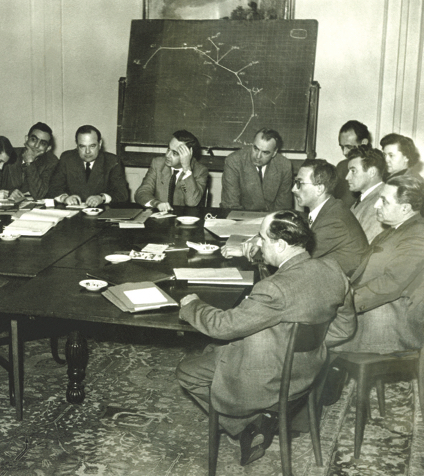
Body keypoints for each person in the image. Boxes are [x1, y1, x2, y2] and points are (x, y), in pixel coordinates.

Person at [177, 210, 355, 466]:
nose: (258, 243)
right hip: (311, 369)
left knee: (187, 371)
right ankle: (261, 422)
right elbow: (345, 327)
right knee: (214, 351)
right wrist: (306, 342)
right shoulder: (333, 269)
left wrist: (192, 305)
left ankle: (248, 425)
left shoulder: (274, 289)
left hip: (269, 377)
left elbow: (223, 326)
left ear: (281, 244)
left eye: (262, 238)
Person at [225, 159, 368, 277]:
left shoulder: (334, 222)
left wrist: (253, 250)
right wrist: (257, 240)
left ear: (320, 189)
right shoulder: (327, 210)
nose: (294, 189)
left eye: (300, 183)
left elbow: (292, 258)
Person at [333, 174, 424, 354]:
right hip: (376, 310)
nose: (376, 205)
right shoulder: (392, 231)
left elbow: (391, 283)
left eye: (384, 201)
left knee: (314, 338)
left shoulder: (418, 234)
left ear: (405, 208)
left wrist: (345, 302)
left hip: (392, 321)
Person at [48, 125, 129, 206]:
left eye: (92, 146)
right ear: (77, 145)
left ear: (100, 144)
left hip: (102, 212)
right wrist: (65, 198)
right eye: (82, 146)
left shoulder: (112, 161)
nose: (87, 152)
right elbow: (53, 188)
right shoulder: (67, 159)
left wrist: (101, 198)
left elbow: (122, 194)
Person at [220, 128, 292, 211]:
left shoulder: (284, 166)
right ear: (252, 144)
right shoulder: (234, 161)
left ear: (274, 152)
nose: (258, 156)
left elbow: (283, 207)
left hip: (271, 218)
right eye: (256, 149)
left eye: (265, 152)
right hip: (242, 217)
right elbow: (231, 205)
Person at [134, 130, 208, 210]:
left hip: (184, 219)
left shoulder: (200, 171)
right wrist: (156, 203)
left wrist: (186, 168)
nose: (167, 155)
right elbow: (141, 192)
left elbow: (192, 202)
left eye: (175, 153)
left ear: (188, 155)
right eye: (168, 149)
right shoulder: (157, 164)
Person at [2, 122, 59, 200]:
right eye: (33, 139)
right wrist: (9, 193)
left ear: (48, 148)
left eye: (43, 143)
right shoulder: (9, 155)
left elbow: (38, 194)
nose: (36, 145)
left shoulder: (51, 162)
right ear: (26, 139)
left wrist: (29, 163)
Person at [345, 145, 388, 242]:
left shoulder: (380, 201)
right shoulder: (364, 198)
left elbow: (364, 246)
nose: (347, 177)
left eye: (353, 171)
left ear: (372, 172)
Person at [334, 120, 371, 208]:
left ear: (364, 143)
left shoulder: (374, 167)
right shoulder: (342, 166)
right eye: (342, 147)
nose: (344, 152)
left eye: (349, 147)